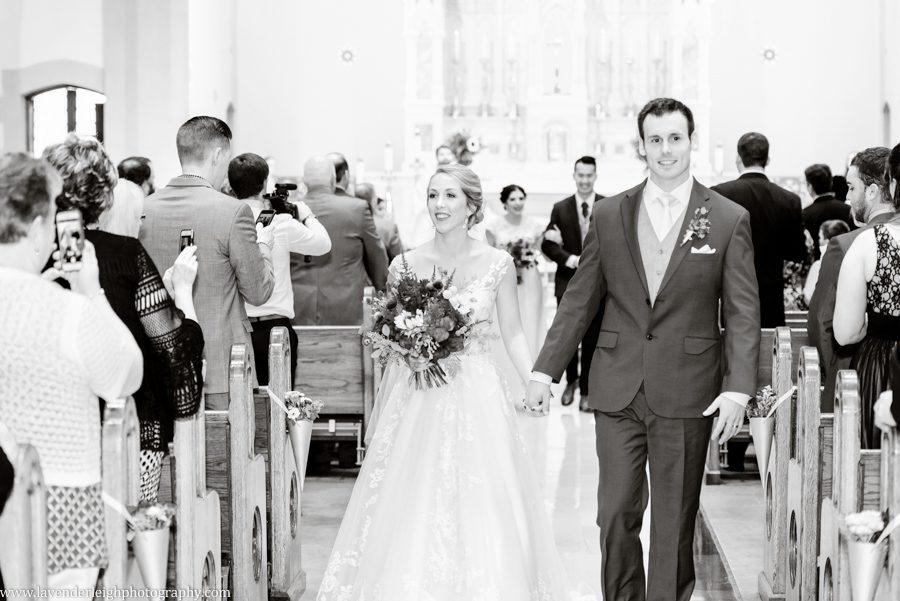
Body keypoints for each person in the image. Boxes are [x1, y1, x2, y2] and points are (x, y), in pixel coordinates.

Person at [527, 98, 760, 601]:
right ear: (641, 146)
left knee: (673, 521)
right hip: (617, 384)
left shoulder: (726, 218)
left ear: (691, 142)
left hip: (688, 386)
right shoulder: (611, 214)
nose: (666, 149)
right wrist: (545, 371)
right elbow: (579, 300)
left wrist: (738, 389)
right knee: (614, 512)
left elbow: (742, 311)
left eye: (675, 138)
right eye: (655, 139)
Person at [317, 163, 569, 600]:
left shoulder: (497, 263)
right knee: (413, 492)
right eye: (433, 195)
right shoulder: (404, 264)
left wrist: (535, 377)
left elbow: (511, 331)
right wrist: (408, 351)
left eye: (450, 195)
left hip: (477, 392)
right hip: (418, 392)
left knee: (483, 492)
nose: (440, 204)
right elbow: (390, 334)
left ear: (472, 206)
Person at [0, 153, 143, 598]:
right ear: (42, 225)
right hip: (58, 505)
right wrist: (92, 291)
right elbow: (125, 377)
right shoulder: (64, 311)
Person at [44, 134, 205, 502]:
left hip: (52, 431)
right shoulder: (126, 254)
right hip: (126, 424)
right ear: (104, 196)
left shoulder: (34, 255)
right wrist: (181, 293)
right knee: (130, 525)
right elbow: (170, 348)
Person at [139, 116, 275, 410]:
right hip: (221, 369)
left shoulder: (144, 209)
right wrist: (264, 245)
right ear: (217, 154)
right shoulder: (233, 211)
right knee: (228, 455)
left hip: (159, 367)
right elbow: (258, 291)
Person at [228, 153, 331, 386]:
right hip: (274, 328)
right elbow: (323, 244)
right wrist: (306, 214)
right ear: (265, 183)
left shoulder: (226, 219)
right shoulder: (279, 222)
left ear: (232, 186)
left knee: (239, 402)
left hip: (236, 328)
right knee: (279, 404)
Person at [809, 146, 892, 409]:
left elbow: (822, 321)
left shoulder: (845, 245)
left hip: (856, 379)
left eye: (851, 187)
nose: (847, 197)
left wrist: (831, 375)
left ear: (872, 191)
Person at [834, 142, 900, 449]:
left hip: (884, 366)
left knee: (876, 473)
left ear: (894, 183)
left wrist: (869, 324)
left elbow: (845, 333)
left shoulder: (869, 243)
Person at [711, 132, 808, 327]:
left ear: (738, 159)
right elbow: (797, 253)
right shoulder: (789, 200)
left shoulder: (720, 194)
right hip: (771, 294)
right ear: (767, 159)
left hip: (734, 293)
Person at [290, 156, 388, 326]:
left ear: (304, 181)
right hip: (346, 311)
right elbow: (377, 259)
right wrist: (383, 291)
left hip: (297, 311)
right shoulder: (356, 209)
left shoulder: (287, 213)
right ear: (334, 180)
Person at [541, 156, 605, 410]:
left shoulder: (606, 205)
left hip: (597, 284)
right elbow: (547, 244)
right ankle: (570, 383)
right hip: (567, 282)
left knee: (591, 337)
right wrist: (569, 259)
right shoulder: (560, 208)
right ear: (574, 175)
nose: (585, 180)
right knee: (568, 336)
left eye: (589, 175)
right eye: (581, 175)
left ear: (595, 176)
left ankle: (587, 389)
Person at [486, 184, 546, 358]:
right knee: (507, 319)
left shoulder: (534, 225)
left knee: (530, 317)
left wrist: (553, 239)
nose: (518, 202)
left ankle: (533, 360)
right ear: (505, 202)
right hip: (505, 279)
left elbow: (547, 255)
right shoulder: (494, 226)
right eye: (513, 199)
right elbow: (488, 257)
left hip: (530, 279)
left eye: (521, 198)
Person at [802, 163, 852, 259]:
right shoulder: (849, 210)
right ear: (830, 183)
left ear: (810, 187)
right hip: (846, 264)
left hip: (817, 266)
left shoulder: (805, 215)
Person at [803, 219, 850, 305]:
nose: (818, 241)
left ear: (828, 242)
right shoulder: (854, 264)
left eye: (820, 237)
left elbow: (808, 298)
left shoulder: (819, 266)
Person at [355, 182, 403, 262]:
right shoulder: (389, 226)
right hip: (384, 271)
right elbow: (398, 256)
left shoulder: (349, 224)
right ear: (374, 200)